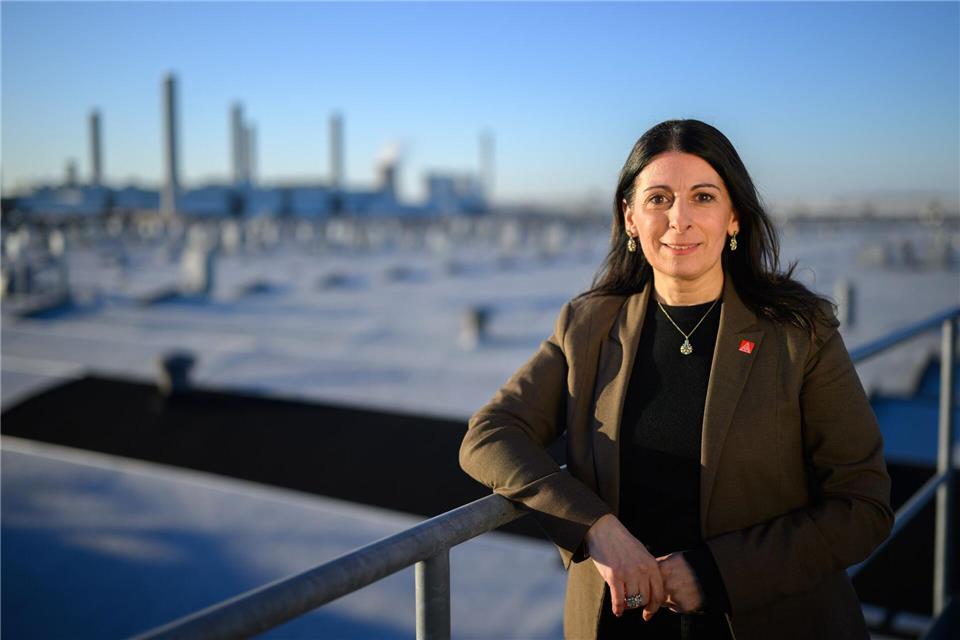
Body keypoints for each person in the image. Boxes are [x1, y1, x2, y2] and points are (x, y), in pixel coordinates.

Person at [459, 119, 893, 639]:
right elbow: (489, 435)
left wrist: (717, 572)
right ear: (630, 218)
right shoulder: (588, 326)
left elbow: (862, 506)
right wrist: (594, 527)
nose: (679, 220)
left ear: (734, 217)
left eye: (703, 197)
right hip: (620, 626)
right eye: (659, 198)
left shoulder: (799, 335)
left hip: (768, 621)